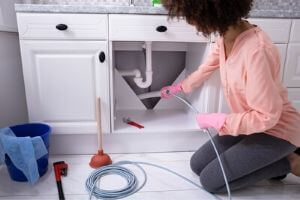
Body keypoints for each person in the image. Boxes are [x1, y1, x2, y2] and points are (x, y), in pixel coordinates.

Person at [160, 0, 300, 193]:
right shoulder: (226, 36)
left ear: (208, 13)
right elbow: (207, 67)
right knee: (197, 164)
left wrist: (220, 120)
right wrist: (180, 87)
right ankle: (266, 159)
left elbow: (267, 116)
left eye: (190, 16)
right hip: (250, 124)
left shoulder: (257, 51)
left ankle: (289, 162)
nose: (191, 23)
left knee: (210, 181)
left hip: (277, 131)